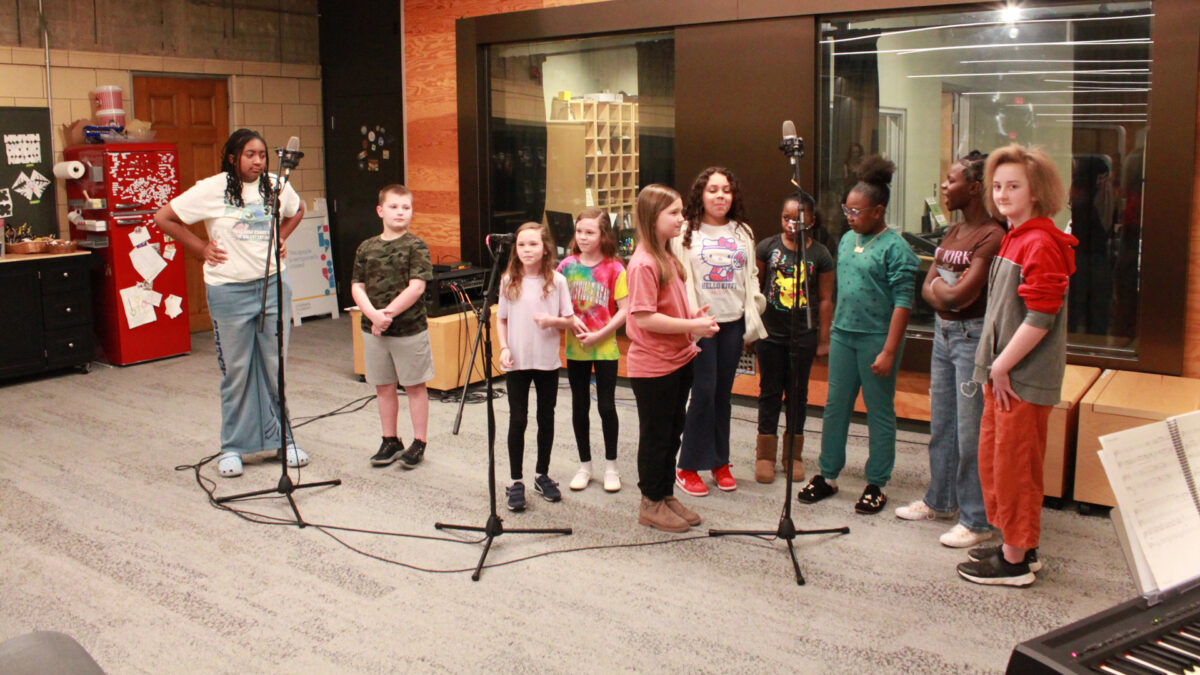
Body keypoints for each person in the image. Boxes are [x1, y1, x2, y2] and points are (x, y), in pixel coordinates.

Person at [154, 128, 308, 478]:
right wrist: (200, 249)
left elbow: (296, 210)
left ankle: (283, 439)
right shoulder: (211, 188)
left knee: (274, 365)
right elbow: (164, 218)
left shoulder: (276, 185)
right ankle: (233, 446)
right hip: (228, 290)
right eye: (250, 155)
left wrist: (280, 237)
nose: (258, 161)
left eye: (262, 155)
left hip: (271, 284)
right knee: (236, 370)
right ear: (232, 158)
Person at [958, 144, 1076, 587]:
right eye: (997, 185)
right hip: (1005, 374)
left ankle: (1015, 562)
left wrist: (1002, 366)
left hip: (1020, 378)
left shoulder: (1041, 242)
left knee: (1014, 466)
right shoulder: (1017, 235)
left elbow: (1040, 317)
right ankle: (1019, 545)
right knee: (1002, 463)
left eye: (1014, 186)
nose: (1003, 193)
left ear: (1037, 190)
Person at [895, 152, 1005, 548]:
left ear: (974, 187)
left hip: (972, 339)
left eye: (951, 180)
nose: (944, 186)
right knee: (942, 424)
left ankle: (976, 520)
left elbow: (962, 293)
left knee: (971, 432)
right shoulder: (953, 232)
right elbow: (929, 289)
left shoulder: (993, 235)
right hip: (944, 335)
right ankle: (940, 501)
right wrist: (946, 292)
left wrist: (945, 291)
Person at [797, 156, 918, 514]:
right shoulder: (848, 240)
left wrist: (889, 350)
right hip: (843, 336)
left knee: (879, 411)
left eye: (856, 212)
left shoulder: (897, 249)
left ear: (878, 211)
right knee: (835, 407)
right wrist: (829, 332)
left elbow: (903, 304)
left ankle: (877, 483)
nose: (849, 217)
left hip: (877, 339)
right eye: (846, 210)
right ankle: (828, 474)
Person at [626, 184, 718, 532]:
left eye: (681, 211)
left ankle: (664, 494)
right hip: (654, 366)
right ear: (653, 217)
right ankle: (650, 501)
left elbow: (667, 307)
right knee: (656, 436)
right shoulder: (643, 263)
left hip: (679, 359)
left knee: (672, 433)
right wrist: (692, 324)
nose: (682, 218)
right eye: (674, 213)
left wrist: (692, 313)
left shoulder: (666, 255)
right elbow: (644, 317)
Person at [671, 167, 767, 497]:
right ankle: (686, 465)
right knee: (704, 392)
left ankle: (719, 461)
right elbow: (678, 280)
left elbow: (751, 273)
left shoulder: (743, 231)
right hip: (700, 325)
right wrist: (689, 321)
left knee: (722, 395)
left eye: (726, 189)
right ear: (701, 194)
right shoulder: (685, 232)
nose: (720, 196)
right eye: (713, 190)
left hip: (734, 323)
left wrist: (754, 307)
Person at [350, 184, 434, 470]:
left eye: (406, 207)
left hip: (408, 329)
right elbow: (357, 286)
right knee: (383, 386)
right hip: (373, 329)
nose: (400, 212)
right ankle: (390, 439)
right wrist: (373, 315)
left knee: (414, 385)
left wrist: (386, 315)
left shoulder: (416, 245)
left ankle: (419, 441)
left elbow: (417, 287)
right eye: (394, 206)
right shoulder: (367, 247)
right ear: (380, 210)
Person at [754, 192, 834, 484]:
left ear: (811, 220)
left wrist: (823, 339)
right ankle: (765, 454)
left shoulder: (820, 254)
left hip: (803, 335)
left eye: (797, 219)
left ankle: (793, 455)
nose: (790, 224)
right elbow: (757, 291)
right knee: (769, 392)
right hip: (770, 335)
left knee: (798, 395)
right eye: (785, 218)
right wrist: (753, 330)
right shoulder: (767, 247)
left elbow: (825, 299)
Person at [497, 221, 574, 512]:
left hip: (546, 363)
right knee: (518, 420)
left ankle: (542, 474)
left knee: (546, 418)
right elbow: (501, 318)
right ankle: (515, 481)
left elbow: (569, 319)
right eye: (521, 245)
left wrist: (551, 321)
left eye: (533, 244)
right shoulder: (508, 281)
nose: (527, 250)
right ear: (515, 250)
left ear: (545, 249)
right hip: (517, 362)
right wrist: (504, 347)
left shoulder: (557, 281)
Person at [557, 208, 628, 493]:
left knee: (607, 406)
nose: (583, 237)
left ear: (602, 235)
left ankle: (612, 467)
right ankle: (585, 465)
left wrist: (599, 334)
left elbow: (624, 311)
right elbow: (556, 303)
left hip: (605, 346)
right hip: (576, 348)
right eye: (579, 231)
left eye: (590, 232)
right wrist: (570, 322)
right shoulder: (566, 267)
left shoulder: (615, 268)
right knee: (579, 405)